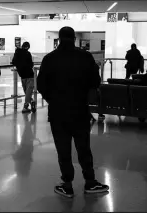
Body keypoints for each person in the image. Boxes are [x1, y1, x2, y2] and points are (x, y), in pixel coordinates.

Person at [37, 26, 109, 198]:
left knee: (63, 149)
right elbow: (95, 81)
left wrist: (52, 100)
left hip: (57, 112)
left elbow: (41, 85)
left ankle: (67, 184)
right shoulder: (85, 56)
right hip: (80, 109)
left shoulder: (49, 58)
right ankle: (90, 182)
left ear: (60, 39)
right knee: (83, 147)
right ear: (74, 39)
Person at [12, 42, 36, 113]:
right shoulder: (27, 53)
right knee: (29, 91)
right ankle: (26, 107)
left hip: (22, 75)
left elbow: (13, 62)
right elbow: (30, 64)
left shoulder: (17, 53)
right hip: (29, 75)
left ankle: (31, 102)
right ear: (27, 47)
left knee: (26, 91)